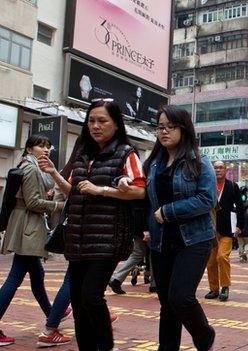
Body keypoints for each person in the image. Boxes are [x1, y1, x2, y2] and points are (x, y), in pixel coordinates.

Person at [38, 100, 146, 350]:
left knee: (91, 295)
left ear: (116, 124)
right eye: (91, 121)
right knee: (77, 299)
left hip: (108, 238)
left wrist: (104, 190)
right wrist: (55, 174)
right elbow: (74, 191)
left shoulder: (127, 153)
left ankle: (105, 347)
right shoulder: (83, 154)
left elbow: (139, 191)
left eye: (102, 121)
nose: (95, 126)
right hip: (78, 237)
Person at [144, 106, 217, 351]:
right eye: (159, 127)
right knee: (167, 302)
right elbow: (147, 200)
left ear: (183, 129)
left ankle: (204, 335)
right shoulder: (153, 163)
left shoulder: (199, 161)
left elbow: (207, 200)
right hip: (160, 240)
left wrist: (168, 212)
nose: (163, 131)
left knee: (180, 297)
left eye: (169, 127)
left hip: (194, 240)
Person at [0, 135, 64, 347]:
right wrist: (58, 206)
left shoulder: (34, 166)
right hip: (27, 227)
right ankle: (54, 315)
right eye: (40, 146)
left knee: (37, 274)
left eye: (48, 146)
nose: (46, 149)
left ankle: (53, 314)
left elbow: (45, 188)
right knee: (15, 278)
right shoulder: (29, 168)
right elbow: (34, 202)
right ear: (29, 149)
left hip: (27, 226)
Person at [204, 161, 245, 302]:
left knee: (222, 257)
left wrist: (240, 226)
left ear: (226, 170)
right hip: (210, 229)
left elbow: (240, 208)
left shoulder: (232, 186)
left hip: (227, 230)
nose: (218, 170)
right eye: (215, 168)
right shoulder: (207, 185)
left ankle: (225, 287)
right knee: (210, 261)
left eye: (221, 168)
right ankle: (214, 289)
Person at [109, 197, 150, 294]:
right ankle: (154, 283)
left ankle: (117, 279)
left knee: (137, 253)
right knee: (152, 253)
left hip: (135, 222)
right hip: (144, 223)